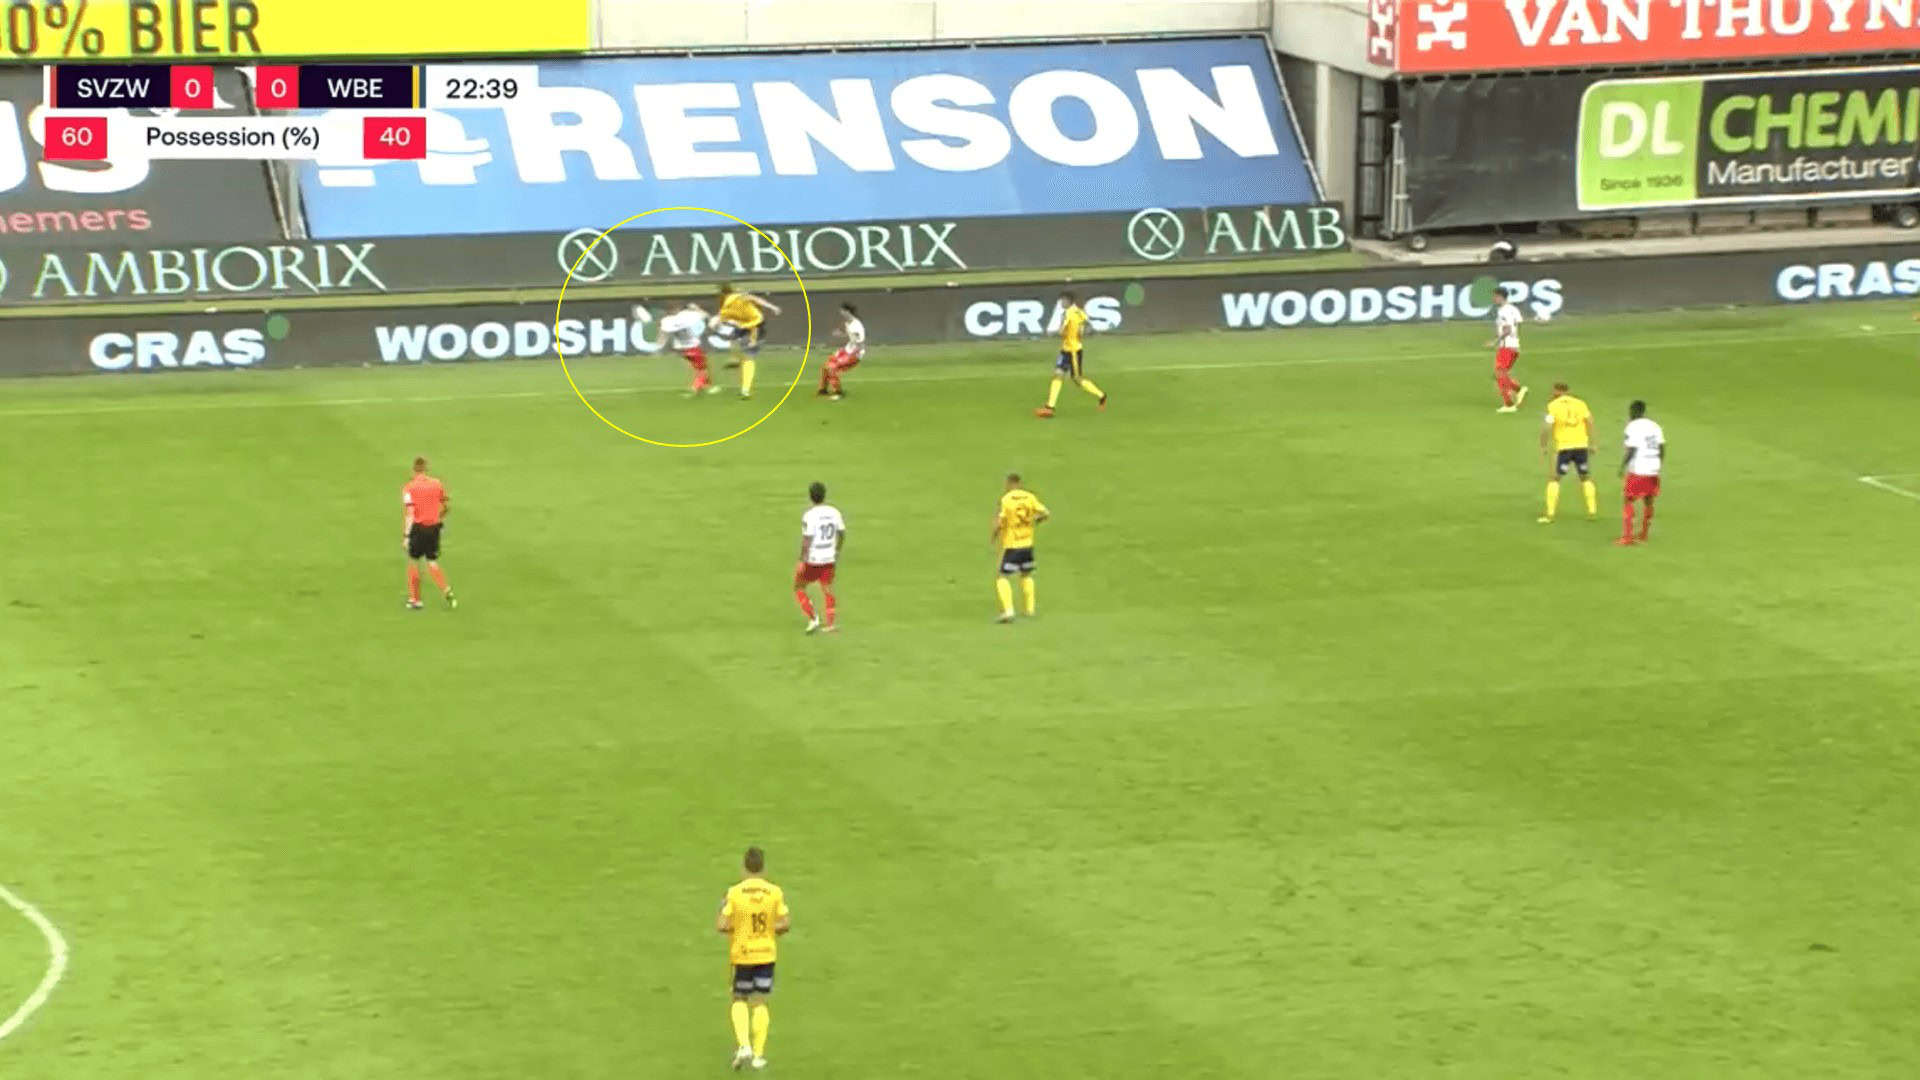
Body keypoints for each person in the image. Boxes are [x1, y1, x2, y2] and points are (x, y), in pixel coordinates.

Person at [717, 846, 790, 1071]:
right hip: (766, 954)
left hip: (743, 954)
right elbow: (784, 924)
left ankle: (744, 1045)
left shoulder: (734, 893)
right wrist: (768, 929)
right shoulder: (775, 892)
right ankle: (758, 1055)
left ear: (744, 868)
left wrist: (736, 924)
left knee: (739, 998)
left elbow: (722, 925)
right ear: (763, 868)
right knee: (760, 1001)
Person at [1034, 291, 1107, 418]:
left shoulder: (1068, 314)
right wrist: (1081, 332)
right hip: (1066, 350)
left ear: (1068, 301)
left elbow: (1061, 331)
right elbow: (1088, 327)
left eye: (1062, 300)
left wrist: (1051, 333)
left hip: (1073, 351)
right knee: (1058, 374)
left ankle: (1101, 396)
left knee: (1077, 379)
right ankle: (1049, 407)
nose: (1061, 303)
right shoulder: (1080, 312)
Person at [991, 472, 1049, 622]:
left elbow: (999, 522)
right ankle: (1029, 610)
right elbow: (1045, 513)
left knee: (1002, 576)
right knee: (1026, 574)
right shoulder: (1029, 497)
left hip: (1012, 545)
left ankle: (1008, 611)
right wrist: (1034, 521)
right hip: (1027, 544)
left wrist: (994, 536)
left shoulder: (1006, 499)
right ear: (1020, 484)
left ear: (1010, 484)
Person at [1538, 382, 1597, 524]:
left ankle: (1550, 514)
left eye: (1554, 391)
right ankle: (1592, 511)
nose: (1552, 394)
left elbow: (1547, 426)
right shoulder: (1580, 403)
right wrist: (1593, 443)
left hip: (1564, 448)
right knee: (1585, 477)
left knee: (1554, 478)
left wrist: (1543, 445)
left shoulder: (1553, 406)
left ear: (1558, 391)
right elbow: (1590, 421)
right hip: (1581, 446)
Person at [401, 457, 456, 610]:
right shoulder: (437, 484)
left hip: (418, 528)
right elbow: (446, 506)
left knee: (413, 561)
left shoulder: (409, 488)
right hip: (434, 528)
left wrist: (406, 536)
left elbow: (410, 512)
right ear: (426, 469)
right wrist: (438, 518)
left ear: (414, 470)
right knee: (432, 562)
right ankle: (446, 590)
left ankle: (415, 599)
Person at [712, 284, 781, 399]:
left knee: (748, 357)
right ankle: (736, 360)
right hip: (749, 325)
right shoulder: (733, 301)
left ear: (723, 294)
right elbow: (755, 299)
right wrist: (772, 307)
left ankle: (745, 388)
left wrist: (717, 323)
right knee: (735, 340)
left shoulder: (731, 302)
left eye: (718, 294)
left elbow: (719, 320)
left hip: (754, 326)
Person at [794, 482, 845, 633]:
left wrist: (802, 560)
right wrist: (837, 550)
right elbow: (842, 533)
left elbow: (807, 540)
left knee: (799, 587)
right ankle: (830, 624)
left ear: (810, 497)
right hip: (829, 557)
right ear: (824, 495)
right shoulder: (834, 512)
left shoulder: (809, 515)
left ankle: (813, 618)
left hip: (813, 559)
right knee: (827, 588)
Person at [1617, 399, 1666, 546]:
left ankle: (1627, 537)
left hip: (1639, 469)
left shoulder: (1632, 426)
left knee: (1628, 500)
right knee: (1649, 500)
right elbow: (1662, 447)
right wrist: (1659, 464)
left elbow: (1632, 449)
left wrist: (1622, 466)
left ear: (1632, 411)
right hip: (1653, 468)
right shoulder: (1654, 425)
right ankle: (1644, 534)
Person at [655, 301, 718, 395]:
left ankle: (706, 386)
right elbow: (706, 316)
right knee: (702, 369)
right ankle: (696, 388)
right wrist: (696, 308)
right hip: (692, 347)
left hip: (681, 350)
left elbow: (663, 333)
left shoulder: (667, 320)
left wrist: (659, 345)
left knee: (698, 368)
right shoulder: (687, 315)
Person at [1488, 286, 1530, 413]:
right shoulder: (1513, 309)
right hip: (1514, 346)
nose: (1493, 299)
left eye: (1494, 296)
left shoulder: (1503, 311)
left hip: (1506, 346)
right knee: (1500, 374)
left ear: (1500, 296)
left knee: (1499, 374)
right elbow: (1518, 324)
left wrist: (1495, 341)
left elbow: (1507, 329)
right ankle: (1518, 391)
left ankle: (1510, 403)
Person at [817, 302, 866, 400]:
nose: (841, 313)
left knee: (832, 368)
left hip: (854, 353)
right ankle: (823, 390)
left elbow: (859, 341)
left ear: (847, 311)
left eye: (842, 311)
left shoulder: (857, 325)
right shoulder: (848, 323)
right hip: (846, 350)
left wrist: (853, 353)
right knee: (825, 367)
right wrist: (841, 334)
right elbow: (850, 336)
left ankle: (838, 393)